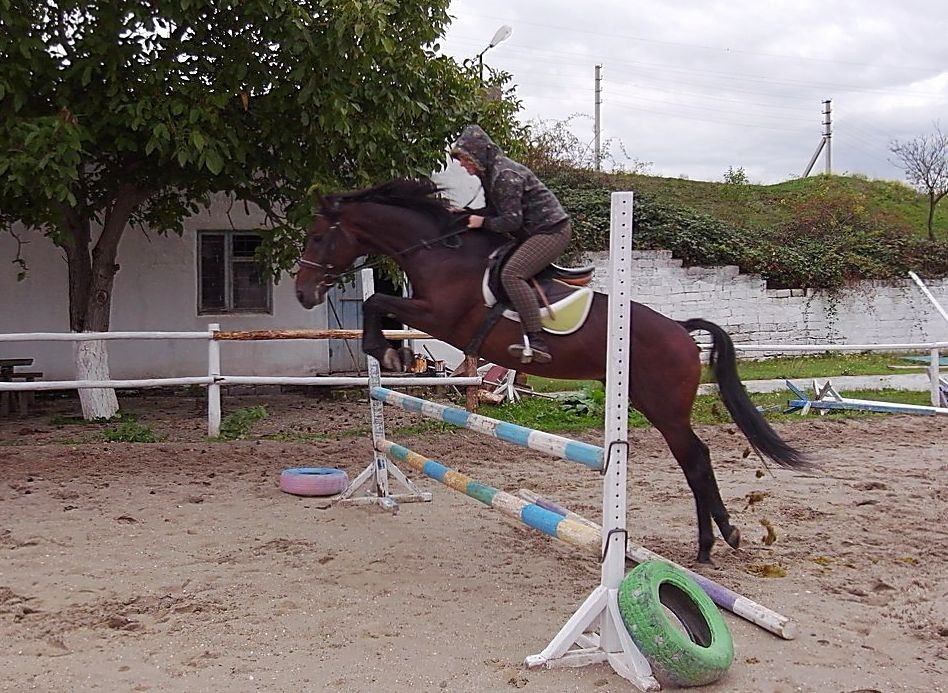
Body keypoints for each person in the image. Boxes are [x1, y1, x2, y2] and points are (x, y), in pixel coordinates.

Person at [449, 124, 571, 365]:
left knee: (512, 274)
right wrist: (466, 214)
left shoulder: (504, 175)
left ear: (476, 154)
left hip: (551, 232)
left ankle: (537, 341)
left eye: (464, 159)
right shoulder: (489, 174)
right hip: (531, 232)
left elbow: (511, 221)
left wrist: (480, 221)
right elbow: (496, 211)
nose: (462, 165)